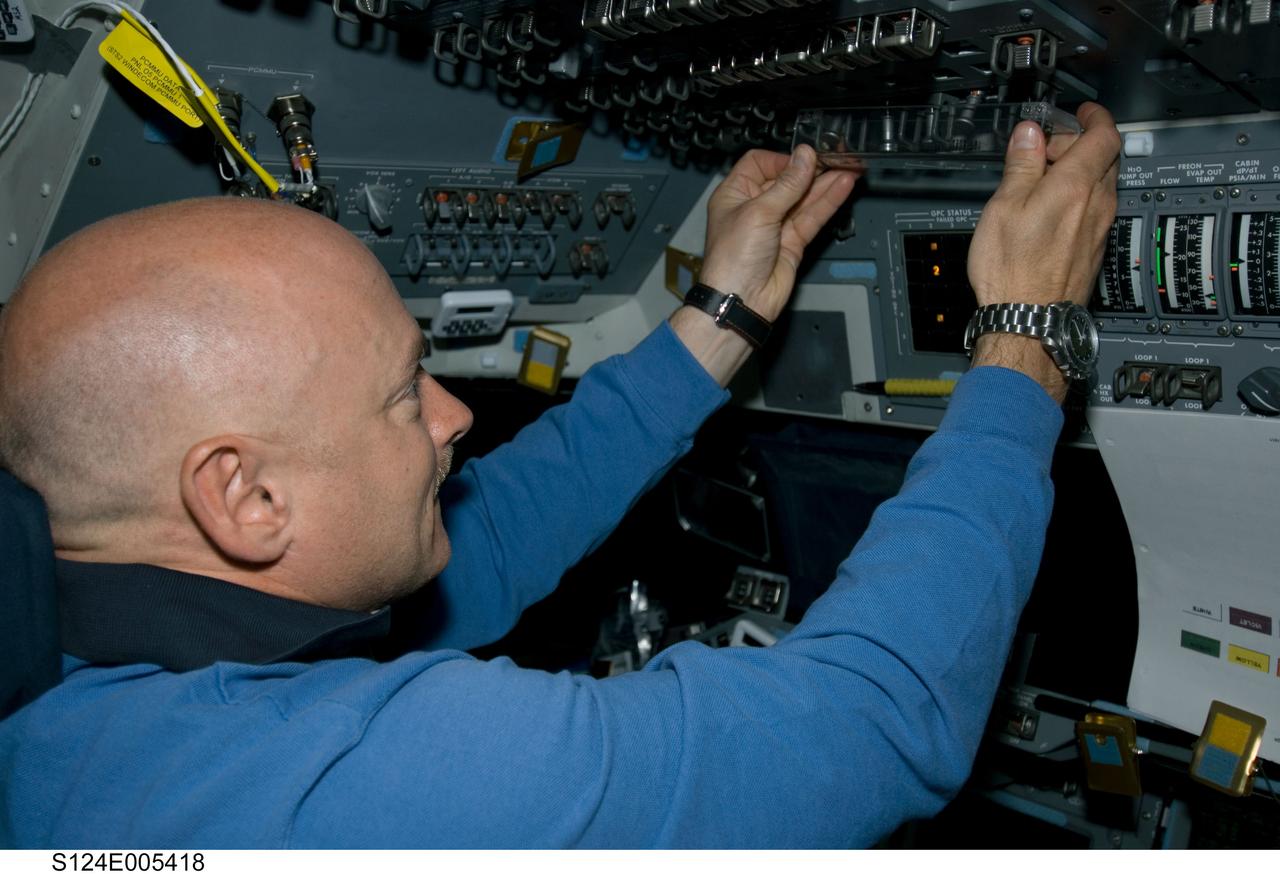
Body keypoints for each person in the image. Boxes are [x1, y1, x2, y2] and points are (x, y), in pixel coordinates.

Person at [0, 103, 1120, 848]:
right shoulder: (333, 793)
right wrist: (1023, 336)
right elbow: (871, 721)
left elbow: (476, 553)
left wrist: (718, 319)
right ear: (242, 496)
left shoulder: (81, 679)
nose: (452, 418)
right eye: (404, 395)